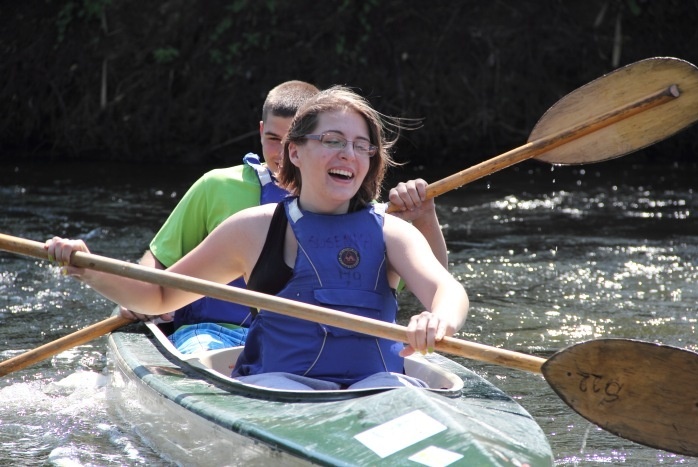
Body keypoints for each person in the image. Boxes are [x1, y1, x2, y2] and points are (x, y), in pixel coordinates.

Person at [46, 86, 468, 391]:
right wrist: (87, 267)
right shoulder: (253, 228)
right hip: (277, 390)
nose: (350, 155)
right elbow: (157, 297)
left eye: (362, 146)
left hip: (379, 390)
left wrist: (438, 319)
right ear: (295, 152)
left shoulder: (391, 230)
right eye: (333, 141)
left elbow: (447, 290)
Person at [123, 80, 448, 355]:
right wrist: (139, 295)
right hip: (214, 334)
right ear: (263, 132)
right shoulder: (217, 188)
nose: (280, 154)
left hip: (307, 346)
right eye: (273, 140)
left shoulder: (356, 207)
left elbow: (431, 283)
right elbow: (161, 261)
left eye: (291, 140)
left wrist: (424, 217)